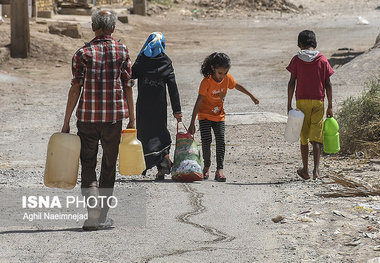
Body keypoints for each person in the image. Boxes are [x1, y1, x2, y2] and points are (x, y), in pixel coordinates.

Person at [61, 10, 135, 230]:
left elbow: (75, 88)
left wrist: (65, 121)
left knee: (88, 165)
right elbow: (128, 86)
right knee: (109, 167)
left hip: (87, 119)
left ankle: (92, 217)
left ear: (94, 27)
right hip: (113, 119)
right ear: (113, 28)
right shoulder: (122, 50)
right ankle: (101, 217)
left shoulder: (82, 53)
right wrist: (132, 119)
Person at [189, 52, 259, 182]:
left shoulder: (227, 78)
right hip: (204, 115)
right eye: (220, 73)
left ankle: (220, 169)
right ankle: (206, 166)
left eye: (225, 73)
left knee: (220, 140)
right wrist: (192, 122)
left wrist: (251, 96)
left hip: (219, 116)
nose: (222, 76)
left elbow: (236, 85)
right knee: (206, 140)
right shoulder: (206, 82)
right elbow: (198, 101)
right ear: (213, 68)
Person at [131, 32, 182, 181]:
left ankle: (162, 163)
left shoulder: (142, 59)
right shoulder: (165, 61)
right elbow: (173, 88)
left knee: (145, 136)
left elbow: (131, 74)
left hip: (144, 107)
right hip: (160, 107)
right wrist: (176, 110)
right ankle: (162, 164)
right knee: (160, 134)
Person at [286, 30, 334, 180]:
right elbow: (328, 84)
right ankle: (316, 171)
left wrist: (289, 104)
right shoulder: (323, 60)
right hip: (318, 102)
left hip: (301, 102)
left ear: (300, 44)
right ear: (315, 44)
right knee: (317, 138)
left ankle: (305, 170)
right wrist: (330, 105)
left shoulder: (296, 60)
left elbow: (291, 82)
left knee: (303, 137)